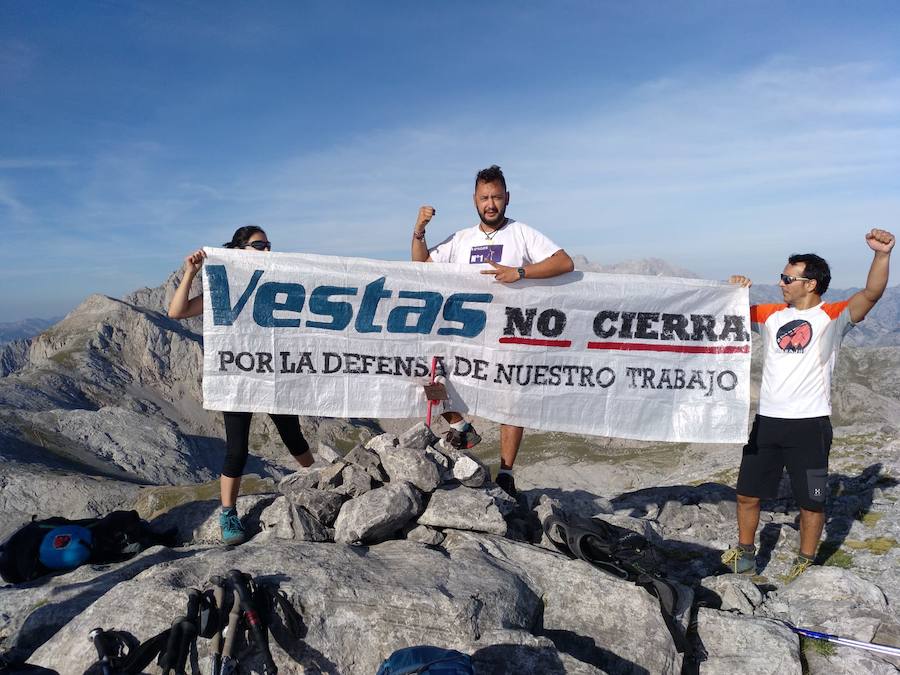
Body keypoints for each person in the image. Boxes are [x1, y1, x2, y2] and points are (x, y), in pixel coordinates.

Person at [722, 228, 894, 580]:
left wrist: (882, 255)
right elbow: (724, 314)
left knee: (812, 500)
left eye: (788, 277)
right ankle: (745, 553)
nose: (781, 282)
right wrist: (733, 291)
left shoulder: (833, 315)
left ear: (810, 284)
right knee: (746, 494)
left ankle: (805, 559)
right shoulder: (770, 314)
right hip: (767, 423)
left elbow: (872, 293)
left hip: (810, 427)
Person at [411, 165, 575, 497]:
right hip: (464, 334)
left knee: (511, 400)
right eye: (485, 197)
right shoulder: (461, 238)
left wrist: (521, 271)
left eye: (497, 197)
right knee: (427, 376)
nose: (491, 204)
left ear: (507, 198)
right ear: (475, 200)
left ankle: (506, 474)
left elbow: (564, 262)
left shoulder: (522, 233)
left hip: (507, 332)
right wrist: (418, 232)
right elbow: (421, 267)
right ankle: (460, 427)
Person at [167, 225, 315, 545]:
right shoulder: (225, 290)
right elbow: (177, 311)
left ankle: (319, 485)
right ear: (240, 250)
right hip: (238, 375)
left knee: (292, 434)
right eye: (259, 245)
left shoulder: (277, 284)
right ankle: (228, 513)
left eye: (268, 245)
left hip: (273, 372)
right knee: (237, 448)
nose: (266, 251)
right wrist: (190, 272)